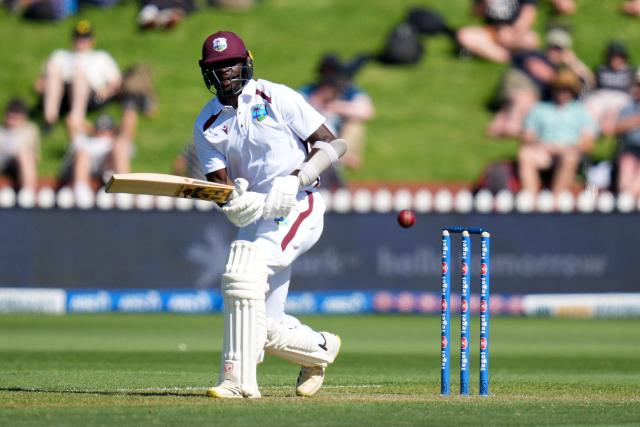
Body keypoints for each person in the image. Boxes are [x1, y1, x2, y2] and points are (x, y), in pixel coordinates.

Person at [193, 31, 346, 399]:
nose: (226, 72)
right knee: (261, 322)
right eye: (217, 67)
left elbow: (333, 143)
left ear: (246, 60)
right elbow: (221, 188)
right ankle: (319, 349)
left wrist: (297, 179)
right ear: (207, 73)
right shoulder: (207, 123)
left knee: (242, 272)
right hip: (258, 217)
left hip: (299, 204)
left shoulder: (274, 96)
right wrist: (234, 203)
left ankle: (238, 382)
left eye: (230, 63)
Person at [487, 28, 594, 138]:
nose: (554, 51)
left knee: (529, 104)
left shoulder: (560, 71)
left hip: (530, 96)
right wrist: (561, 79)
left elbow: (589, 80)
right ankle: (512, 127)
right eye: (553, 47)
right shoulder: (535, 55)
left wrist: (573, 62)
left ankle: (499, 127)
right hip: (518, 83)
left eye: (559, 49)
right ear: (547, 46)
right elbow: (537, 68)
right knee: (524, 98)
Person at [299, 54, 375, 189]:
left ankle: (341, 157)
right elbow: (294, 109)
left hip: (340, 138)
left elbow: (367, 111)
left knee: (356, 124)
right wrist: (317, 101)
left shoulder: (348, 92)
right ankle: (337, 159)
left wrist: (336, 106)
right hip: (314, 140)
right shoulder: (310, 91)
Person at [518, 69, 597, 196]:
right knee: (525, 154)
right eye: (560, 88)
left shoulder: (580, 111)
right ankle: (530, 197)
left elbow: (588, 140)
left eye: (566, 89)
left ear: (573, 91)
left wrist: (569, 147)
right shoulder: (540, 108)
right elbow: (527, 135)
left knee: (570, 157)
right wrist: (542, 145)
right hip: (543, 151)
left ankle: (557, 197)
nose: (562, 92)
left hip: (568, 151)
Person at [35, 20, 121, 132]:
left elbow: (116, 80)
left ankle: (76, 118)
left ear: (92, 40)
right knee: (53, 66)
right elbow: (40, 83)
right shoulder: (60, 55)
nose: (81, 41)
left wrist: (107, 90)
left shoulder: (101, 57)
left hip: (91, 93)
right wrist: (42, 85)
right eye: (78, 38)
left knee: (79, 76)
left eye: (85, 38)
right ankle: (49, 118)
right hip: (62, 91)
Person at [60, 106, 137, 197]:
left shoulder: (117, 141)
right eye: (100, 129)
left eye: (107, 129)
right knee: (81, 152)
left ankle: (124, 188)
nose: (104, 132)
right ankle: (81, 190)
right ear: (95, 131)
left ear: (112, 131)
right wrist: (91, 129)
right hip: (88, 166)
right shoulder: (87, 142)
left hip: (110, 166)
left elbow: (130, 118)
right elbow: (71, 120)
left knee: (119, 148)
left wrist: (116, 131)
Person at [456, 0, 540, 63]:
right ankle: (507, 57)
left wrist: (513, 33)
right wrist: (484, 4)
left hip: (516, 32)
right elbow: (475, 13)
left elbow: (528, 14)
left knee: (531, 40)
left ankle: (486, 51)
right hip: (491, 31)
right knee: (464, 36)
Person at [584, 41, 634, 137]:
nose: (616, 60)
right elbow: (591, 82)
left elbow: (634, 88)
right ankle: (590, 132)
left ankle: (608, 130)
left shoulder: (630, 71)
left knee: (616, 110)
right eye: (613, 57)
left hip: (622, 97)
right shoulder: (601, 69)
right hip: (602, 95)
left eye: (619, 57)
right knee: (591, 106)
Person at [0, 98, 40, 192]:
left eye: (15, 114)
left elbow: (34, 155)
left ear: (23, 116)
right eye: (10, 113)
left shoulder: (29, 130)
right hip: (3, 160)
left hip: (21, 161)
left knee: (24, 155)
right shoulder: (1, 130)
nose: (12, 116)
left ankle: (29, 192)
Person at [614, 71, 640, 196]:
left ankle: (632, 195)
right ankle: (627, 195)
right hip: (631, 147)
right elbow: (616, 127)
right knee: (626, 167)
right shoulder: (628, 107)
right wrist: (635, 120)